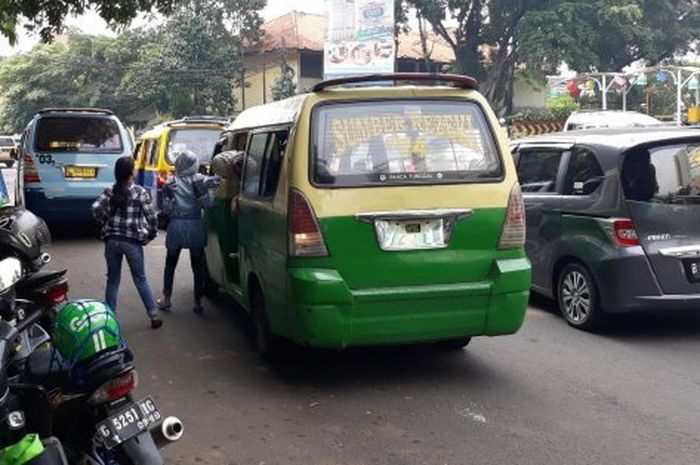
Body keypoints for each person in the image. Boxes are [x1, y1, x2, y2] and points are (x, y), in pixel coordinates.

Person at [92, 156, 161, 329]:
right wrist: (150, 235)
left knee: (113, 280)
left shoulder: (109, 191)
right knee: (140, 278)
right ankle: (153, 315)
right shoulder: (140, 192)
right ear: (131, 173)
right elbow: (152, 218)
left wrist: (104, 221)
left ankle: (110, 320)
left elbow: (95, 209)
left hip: (112, 241)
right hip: (132, 243)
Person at [158, 151, 220, 314]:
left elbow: (166, 209)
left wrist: (168, 195)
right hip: (195, 225)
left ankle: (167, 299)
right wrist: (203, 194)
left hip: (176, 225)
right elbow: (209, 204)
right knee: (197, 265)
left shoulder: (172, 182)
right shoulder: (201, 180)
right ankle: (198, 302)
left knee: (170, 264)